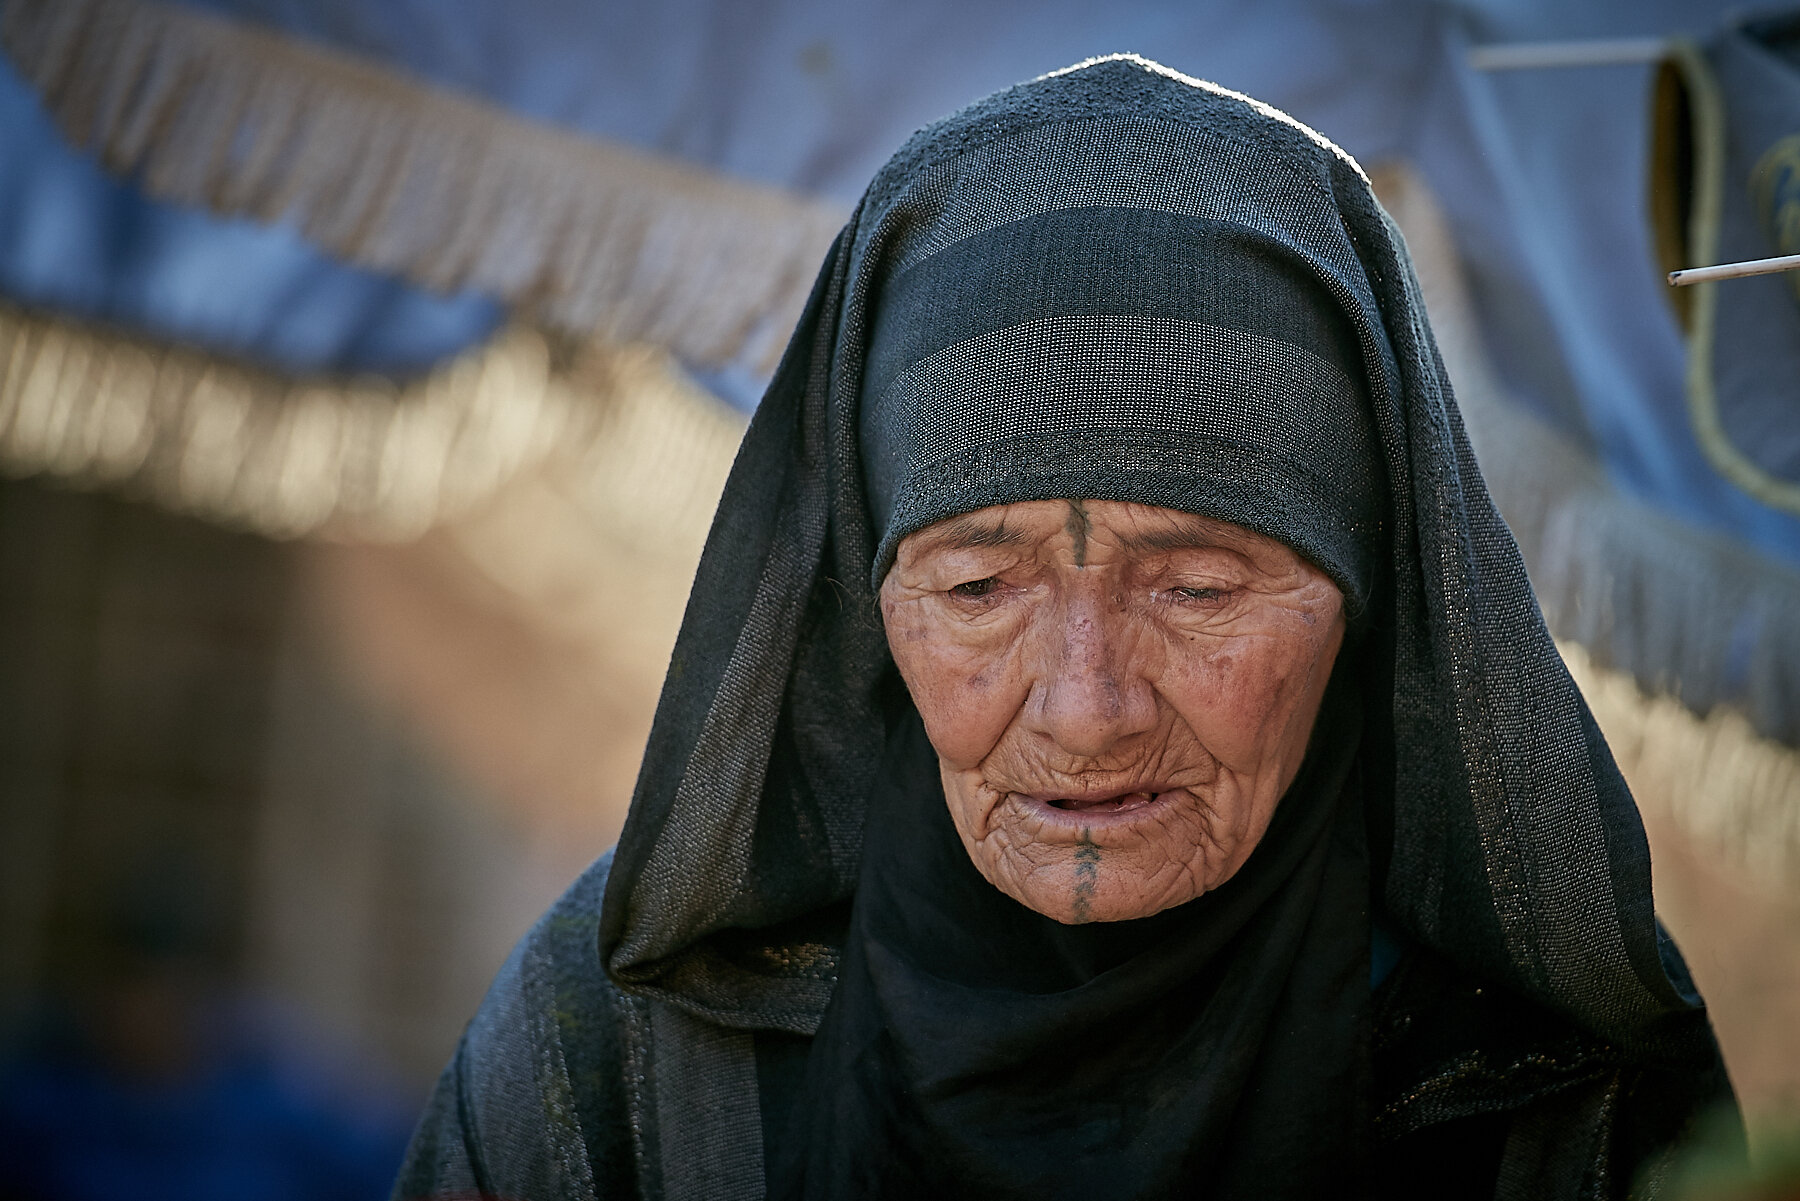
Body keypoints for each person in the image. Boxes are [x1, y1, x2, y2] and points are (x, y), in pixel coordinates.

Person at [392, 54, 1734, 1201]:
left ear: (1373, 594)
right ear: (866, 603)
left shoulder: (1558, 1097)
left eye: (1199, 589)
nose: (1087, 711)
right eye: (978, 591)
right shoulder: (618, 1061)